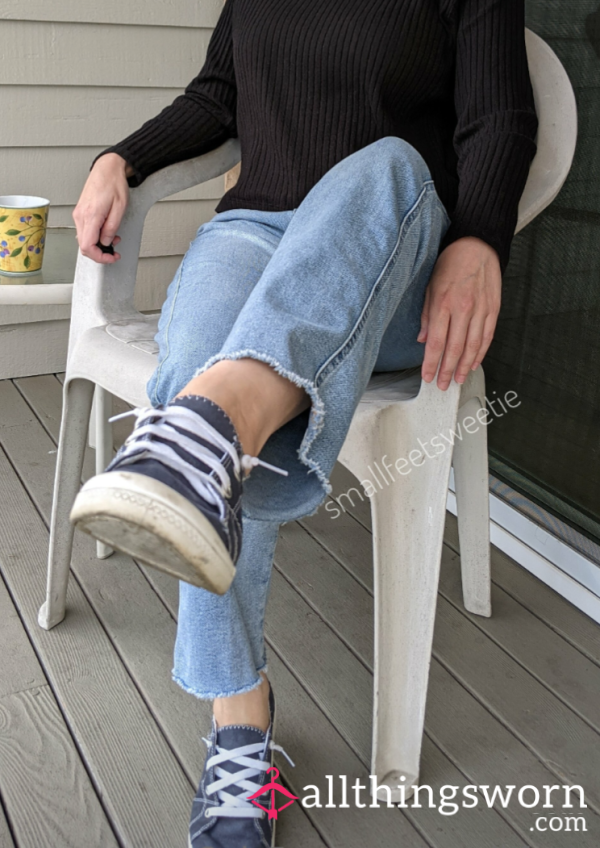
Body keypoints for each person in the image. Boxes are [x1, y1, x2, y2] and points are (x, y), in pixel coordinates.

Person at [69, 1, 538, 845]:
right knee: (202, 354)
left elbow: (501, 118)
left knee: (388, 162)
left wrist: (480, 238)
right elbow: (215, 98)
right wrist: (119, 157)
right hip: (253, 235)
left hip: (387, 256)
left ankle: (199, 438)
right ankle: (241, 720)